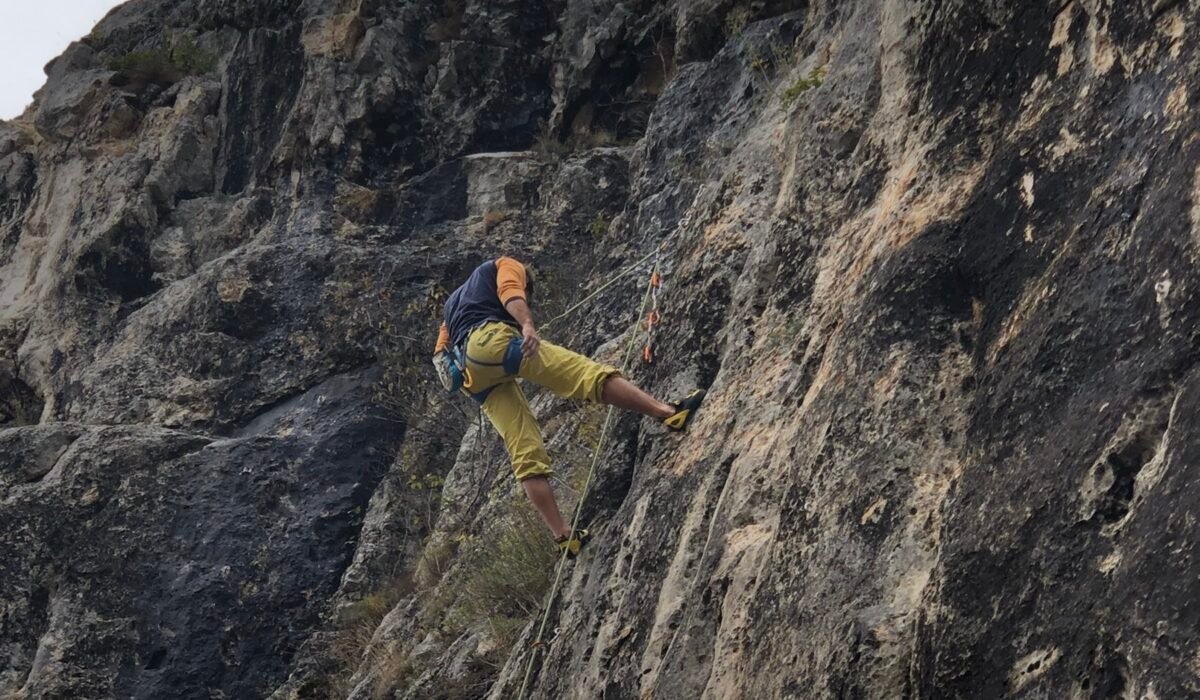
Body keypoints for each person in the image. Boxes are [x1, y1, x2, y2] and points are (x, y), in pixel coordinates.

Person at [431, 256, 705, 557]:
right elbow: (511, 291)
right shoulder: (505, 264)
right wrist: (526, 324)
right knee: (581, 373)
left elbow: (440, 354)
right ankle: (668, 413)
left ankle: (563, 536)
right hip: (488, 343)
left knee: (523, 447)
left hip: (471, 377)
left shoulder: (452, 307)